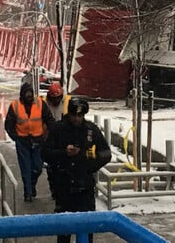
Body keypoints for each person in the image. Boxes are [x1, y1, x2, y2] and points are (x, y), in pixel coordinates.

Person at [42, 97, 111, 243]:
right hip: (63, 186)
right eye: (74, 115)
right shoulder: (58, 129)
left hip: (84, 186)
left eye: (80, 116)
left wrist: (90, 165)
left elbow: (105, 153)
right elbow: (45, 153)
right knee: (64, 229)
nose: (76, 119)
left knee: (87, 228)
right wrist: (63, 153)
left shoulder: (91, 130)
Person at [5, 82, 55, 203]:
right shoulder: (15, 106)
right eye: (27, 93)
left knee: (38, 167)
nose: (29, 95)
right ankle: (28, 193)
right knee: (26, 168)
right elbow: (8, 124)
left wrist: (50, 136)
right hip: (23, 141)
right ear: (22, 94)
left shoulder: (40, 103)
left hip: (38, 140)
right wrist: (15, 138)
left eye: (30, 93)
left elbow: (49, 119)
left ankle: (32, 185)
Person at [44, 81, 65, 199]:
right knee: (52, 167)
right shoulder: (45, 104)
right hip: (49, 138)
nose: (56, 101)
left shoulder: (66, 103)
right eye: (54, 98)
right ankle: (54, 189)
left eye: (58, 98)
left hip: (63, 138)